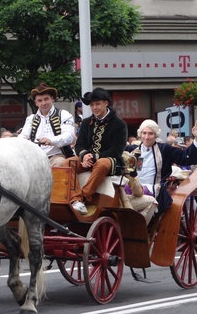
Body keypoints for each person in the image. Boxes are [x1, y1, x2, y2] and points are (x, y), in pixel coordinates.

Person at [63, 87, 127, 215]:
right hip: (89, 159)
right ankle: (75, 199)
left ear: (106, 103)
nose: (94, 107)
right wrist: (84, 155)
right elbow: (79, 144)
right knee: (68, 163)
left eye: (97, 104)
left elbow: (116, 150)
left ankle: (84, 196)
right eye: (92, 105)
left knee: (102, 163)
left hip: (110, 161)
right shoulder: (86, 122)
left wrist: (93, 157)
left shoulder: (119, 124)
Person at [132, 119, 197, 214]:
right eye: (144, 133)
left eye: (150, 133)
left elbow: (186, 158)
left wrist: (196, 138)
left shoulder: (164, 149)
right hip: (134, 191)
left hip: (157, 193)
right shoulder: (133, 151)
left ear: (156, 135)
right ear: (140, 134)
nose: (146, 137)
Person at [19, 83, 76, 167]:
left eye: (46, 99)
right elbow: (23, 136)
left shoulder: (64, 115)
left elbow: (69, 136)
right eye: (40, 100)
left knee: (59, 163)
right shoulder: (31, 119)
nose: (43, 103)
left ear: (52, 98)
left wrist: (50, 140)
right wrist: (25, 142)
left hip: (57, 156)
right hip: (35, 157)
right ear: (35, 103)